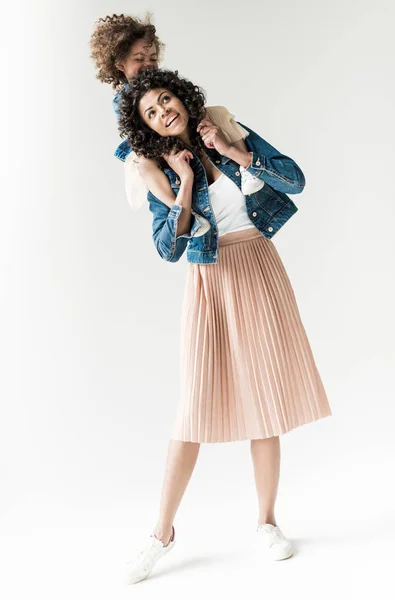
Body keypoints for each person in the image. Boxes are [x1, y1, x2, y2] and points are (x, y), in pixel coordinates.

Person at [117, 69, 332, 584]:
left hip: (257, 266)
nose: (163, 110)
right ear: (145, 126)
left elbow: (295, 179)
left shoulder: (226, 128)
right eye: (150, 111)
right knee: (192, 408)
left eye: (165, 99)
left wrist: (232, 152)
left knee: (266, 398)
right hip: (209, 281)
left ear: (182, 97)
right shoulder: (159, 170)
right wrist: (186, 180)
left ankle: (266, 523)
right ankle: (160, 534)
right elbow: (169, 249)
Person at [89, 12, 262, 220]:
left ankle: (246, 169)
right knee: (144, 164)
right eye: (139, 59)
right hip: (151, 144)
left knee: (216, 115)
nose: (148, 64)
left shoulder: (161, 82)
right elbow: (140, 136)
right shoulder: (123, 101)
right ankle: (179, 209)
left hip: (180, 130)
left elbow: (184, 103)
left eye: (153, 58)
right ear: (120, 65)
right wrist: (165, 149)